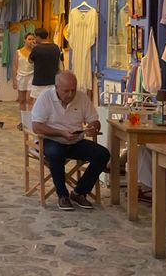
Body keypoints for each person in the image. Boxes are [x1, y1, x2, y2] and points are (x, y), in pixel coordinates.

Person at [31, 72, 109, 211]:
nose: (70, 94)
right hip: (50, 140)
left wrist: (93, 128)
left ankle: (79, 192)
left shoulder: (82, 97)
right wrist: (61, 133)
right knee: (56, 153)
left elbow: (94, 120)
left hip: (75, 141)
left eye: (73, 89)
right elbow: (36, 126)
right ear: (56, 87)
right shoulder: (45, 97)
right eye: (66, 91)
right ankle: (62, 195)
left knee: (102, 154)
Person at [29, 27, 63, 101]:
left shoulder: (36, 48)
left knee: (38, 105)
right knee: (51, 104)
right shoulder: (56, 47)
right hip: (53, 81)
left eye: (35, 36)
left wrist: (32, 49)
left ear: (38, 36)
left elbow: (30, 61)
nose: (34, 39)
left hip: (39, 81)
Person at [13, 32, 37, 129]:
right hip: (21, 77)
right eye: (29, 39)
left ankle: (30, 120)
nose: (31, 41)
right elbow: (15, 66)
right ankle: (23, 121)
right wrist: (14, 80)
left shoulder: (35, 52)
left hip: (31, 76)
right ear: (24, 40)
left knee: (29, 100)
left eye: (32, 39)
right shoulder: (18, 52)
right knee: (22, 100)